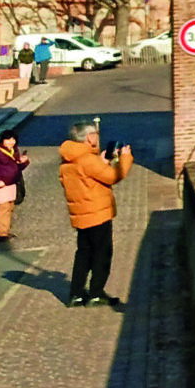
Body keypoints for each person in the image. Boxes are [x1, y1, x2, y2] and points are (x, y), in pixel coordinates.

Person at [58, 117, 132, 309]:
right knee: (102, 253)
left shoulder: (68, 161)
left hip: (81, 215)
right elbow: (113, 176)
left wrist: (102, 161)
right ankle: (96, 293)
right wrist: (125, 158)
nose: (98, 138)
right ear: (89, 138)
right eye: (96, 135)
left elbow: (85, 179)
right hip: (98, 214)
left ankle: (76, 294)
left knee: (83, 253)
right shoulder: (87, 160)